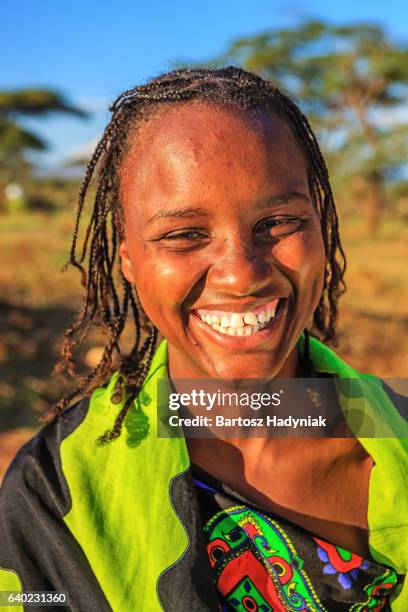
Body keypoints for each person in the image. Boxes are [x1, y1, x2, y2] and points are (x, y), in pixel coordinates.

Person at [0, 67, 407, 612]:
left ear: (322, 228)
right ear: (128, 260)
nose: (241, 275)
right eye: (184, 235)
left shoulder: (398, 433)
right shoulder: (55, 491)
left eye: (279, 222)